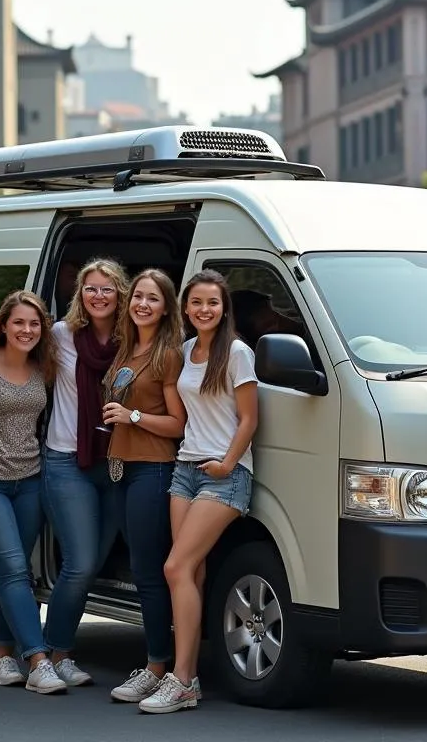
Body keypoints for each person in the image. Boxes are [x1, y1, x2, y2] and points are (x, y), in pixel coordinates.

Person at [140, 269, 259, 715]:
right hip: (185, 469)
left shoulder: (238, 353)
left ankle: (183, 678)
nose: (203, 310)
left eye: (212, 302)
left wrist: (228, 462)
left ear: (223, 308)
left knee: (176, 566)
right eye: (196, 303)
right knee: (192, 574)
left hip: (224, 475)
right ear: (185, 308)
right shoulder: (186, 351)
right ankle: (183, 674)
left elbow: (248, 419)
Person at [0, 290, 66, 695]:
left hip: (30, 481)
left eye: (34, 324)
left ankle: (2, 656)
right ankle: (38, 659)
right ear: (3, 325)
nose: (27, 330)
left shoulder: (42, 367)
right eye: (19, 323)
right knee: (13, 569)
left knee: (14, 569)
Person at [42, 257, 129, 686]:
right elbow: (11, 353)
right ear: (80, 293)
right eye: (90, 288)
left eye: (107, 289)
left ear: (120, 295)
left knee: (94, 562)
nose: (98, 296)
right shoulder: (61, 335)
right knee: (79, 562)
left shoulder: (132, 340)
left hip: (114, 462)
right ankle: (57, 653)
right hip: (66, 461)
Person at [102, 269, 186, 703]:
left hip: (153, 468)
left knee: (149, 572)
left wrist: (132, 417)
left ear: (166, 306)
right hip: (120, 468)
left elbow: (177, 424)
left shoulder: (167, 354)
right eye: (137, 296)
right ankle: (155, 661)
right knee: (138, 567)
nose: (142, 304)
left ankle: (157, 665)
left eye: (153, 298)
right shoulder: (127, 350)